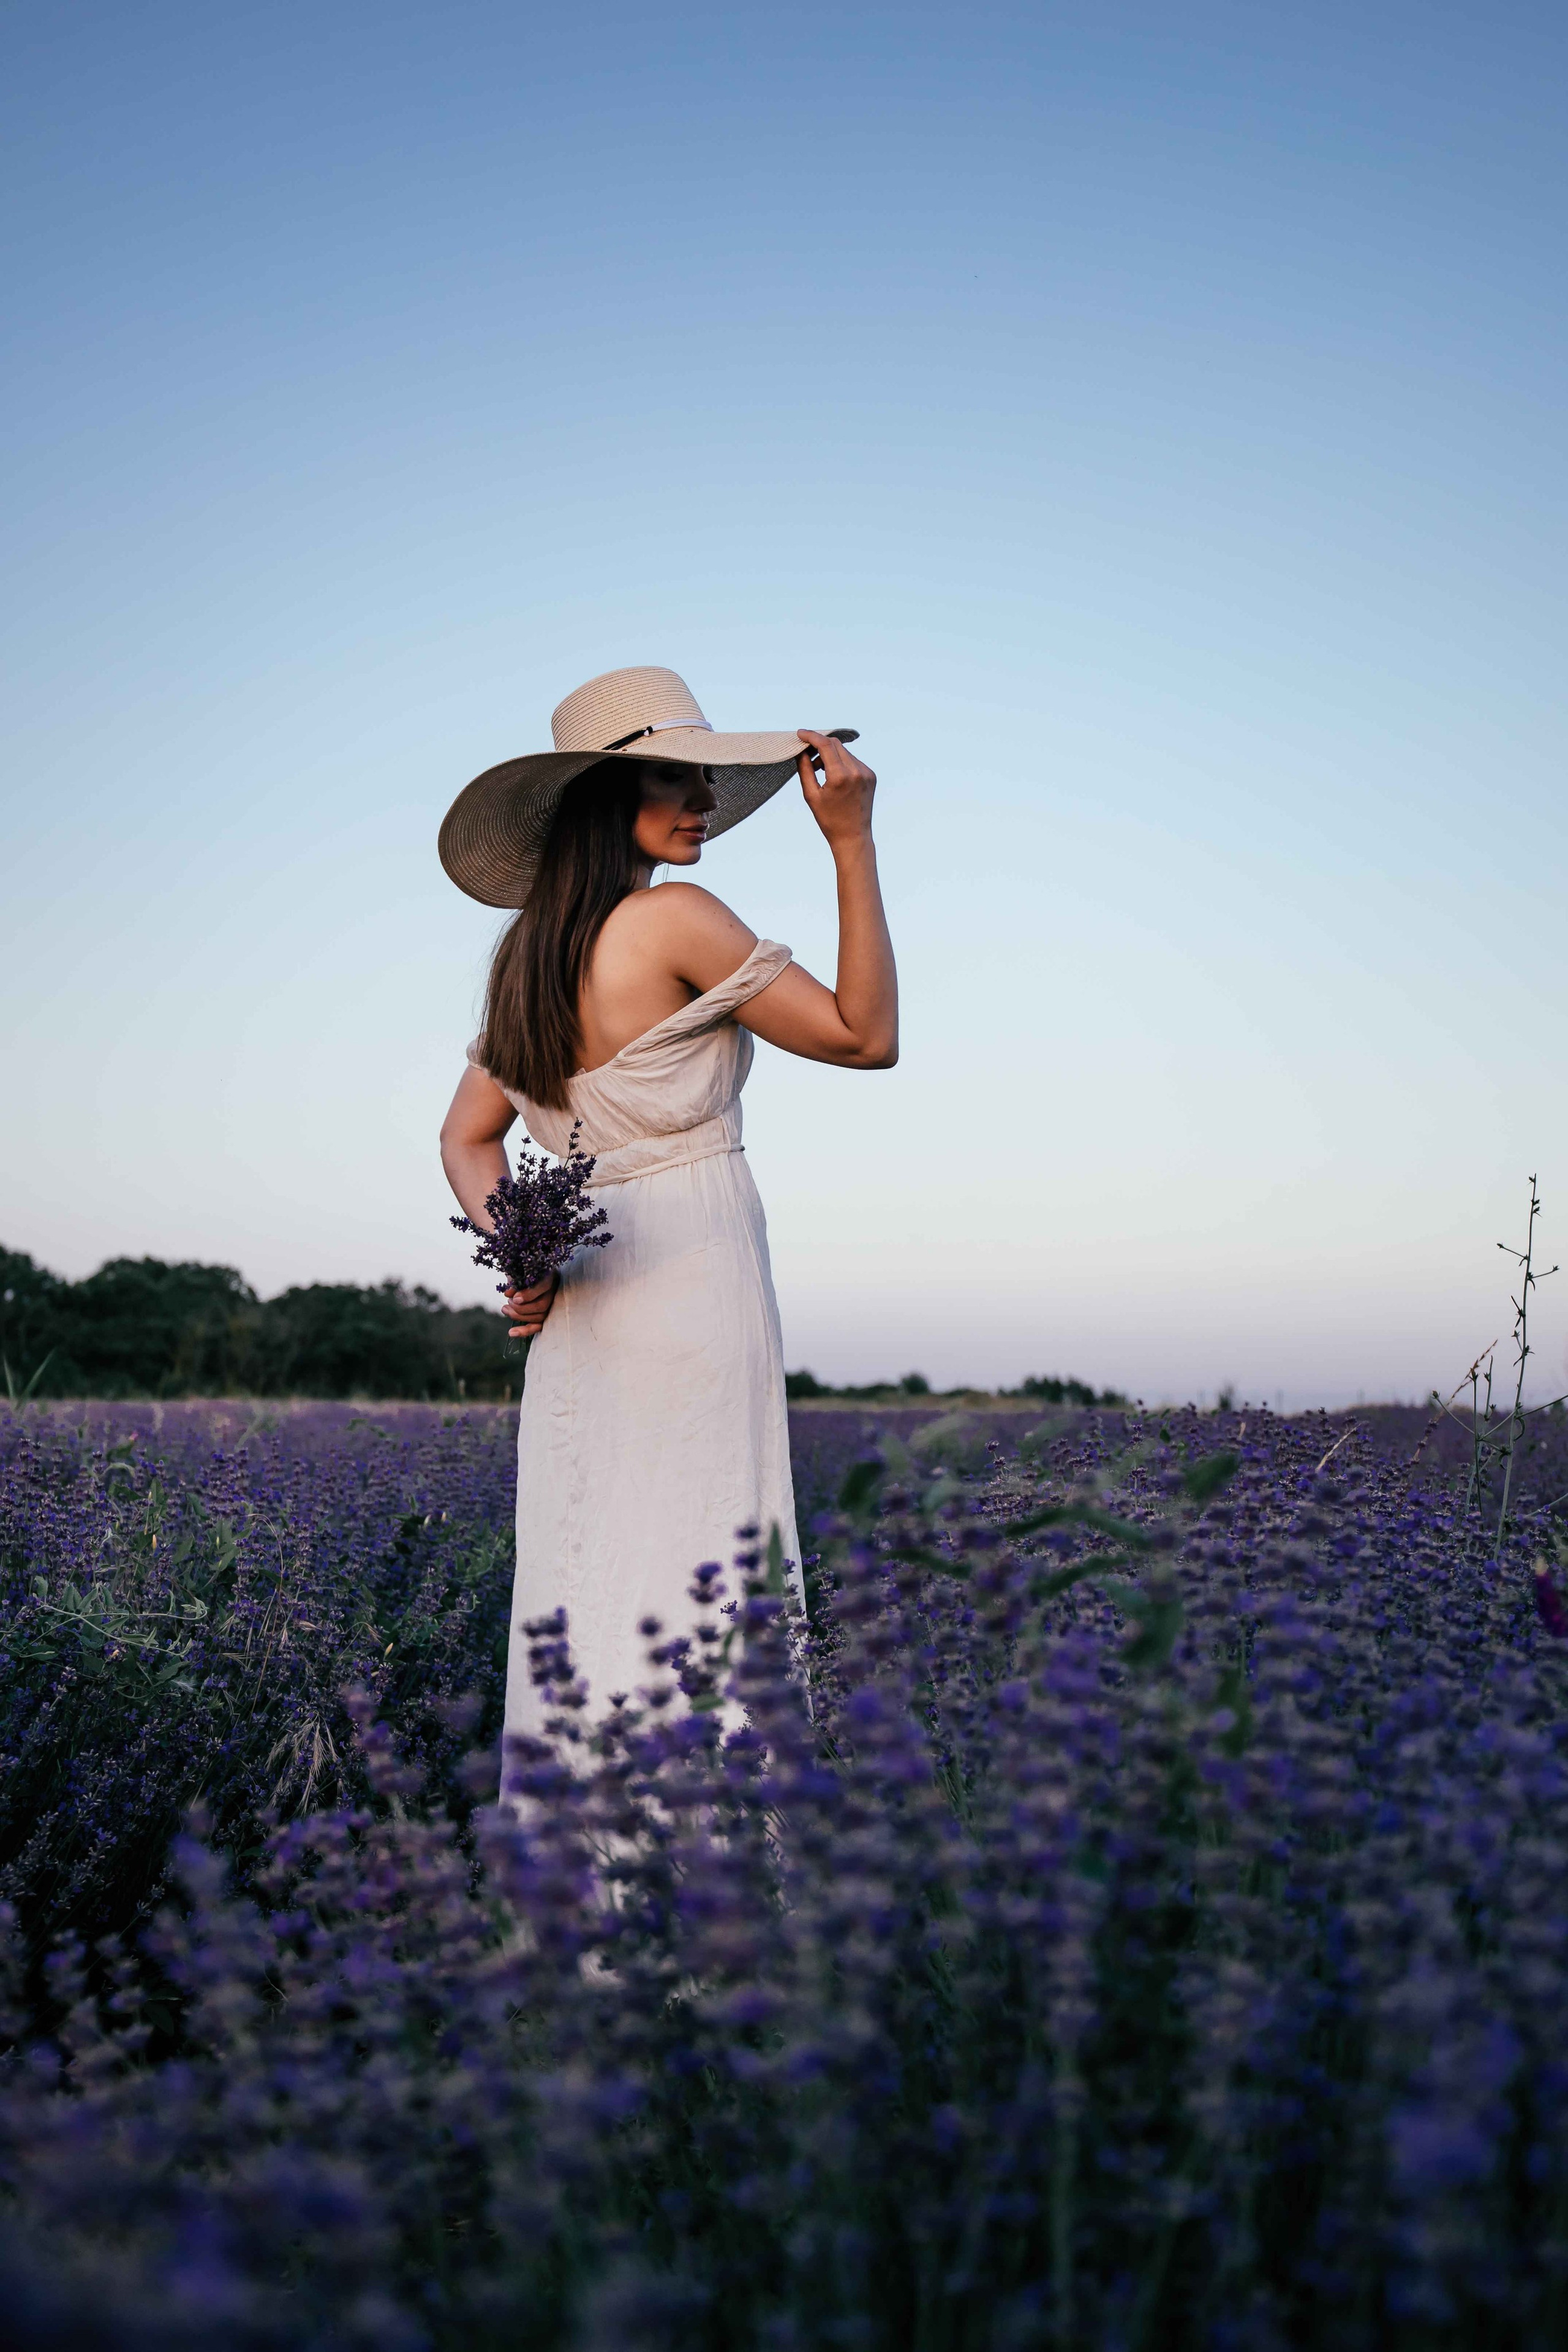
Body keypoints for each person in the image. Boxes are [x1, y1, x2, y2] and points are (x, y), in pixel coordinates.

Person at [437, 665, 897, 1737]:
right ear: (607, 801)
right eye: (674, 777)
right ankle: (716, 1866)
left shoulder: (525, 965)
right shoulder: (675, 920)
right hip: (691, 1277)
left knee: (589, 1576)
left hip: (587, 1316)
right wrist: (852, 842)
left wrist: (527, 1252)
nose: (700, 800)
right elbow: (864, 1037)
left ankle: (587, 1872)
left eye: (702, 775)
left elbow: (467, 1138)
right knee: (707, 1557)